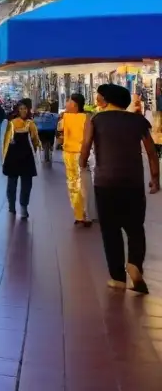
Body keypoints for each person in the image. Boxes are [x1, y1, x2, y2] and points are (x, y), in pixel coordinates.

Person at [81, 84, 160, 294]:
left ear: (106, 99)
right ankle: (134, 264)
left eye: (99, 96)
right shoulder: (137, 121)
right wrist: (155, 179)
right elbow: (152, 153)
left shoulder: (96, 119)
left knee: (110, 230)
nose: (97, 99)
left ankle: (118, 278)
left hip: (105, 182)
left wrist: (81, 165)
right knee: (135, 228)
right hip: (133, 182)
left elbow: (86, 145)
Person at [2, 98, 41, 219]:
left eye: (25, 108)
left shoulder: (30, 123)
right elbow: (6, 141)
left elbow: (35, 140)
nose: (23, 111)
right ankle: (12, 206)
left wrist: (36, 152)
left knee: (26, 184)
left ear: (28, 110)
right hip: (13, 157)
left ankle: (24, 207)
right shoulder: (12, 123)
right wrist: (4, 158)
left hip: (26, 157)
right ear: (17, 110)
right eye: (21, 109)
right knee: (12, 184)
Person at [58, 93, 92, 227]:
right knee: (73, 184)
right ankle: (79, 214)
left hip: (79, 154)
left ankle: (85, 214)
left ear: (75, 105)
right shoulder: (66, 116)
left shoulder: (85, 117)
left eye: (68, 101)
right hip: (68, 153)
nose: (66, 104)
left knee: (80, 185)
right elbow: (60, 132)